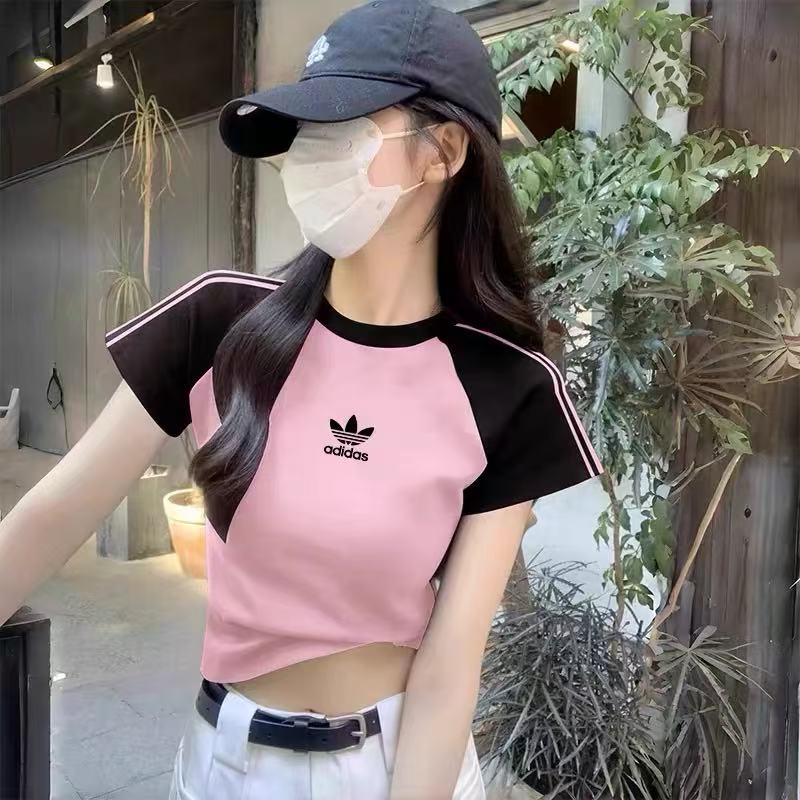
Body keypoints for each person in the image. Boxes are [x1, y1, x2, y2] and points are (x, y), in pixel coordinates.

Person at [0, 1, 604, 798]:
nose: (307, 153)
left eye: (342, 125)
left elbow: (451, 664)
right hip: (227, 763)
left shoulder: (507, 384)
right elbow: (48, 518)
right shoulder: (219, 322)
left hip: (396, 764)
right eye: (304, 130)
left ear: (444, 151)